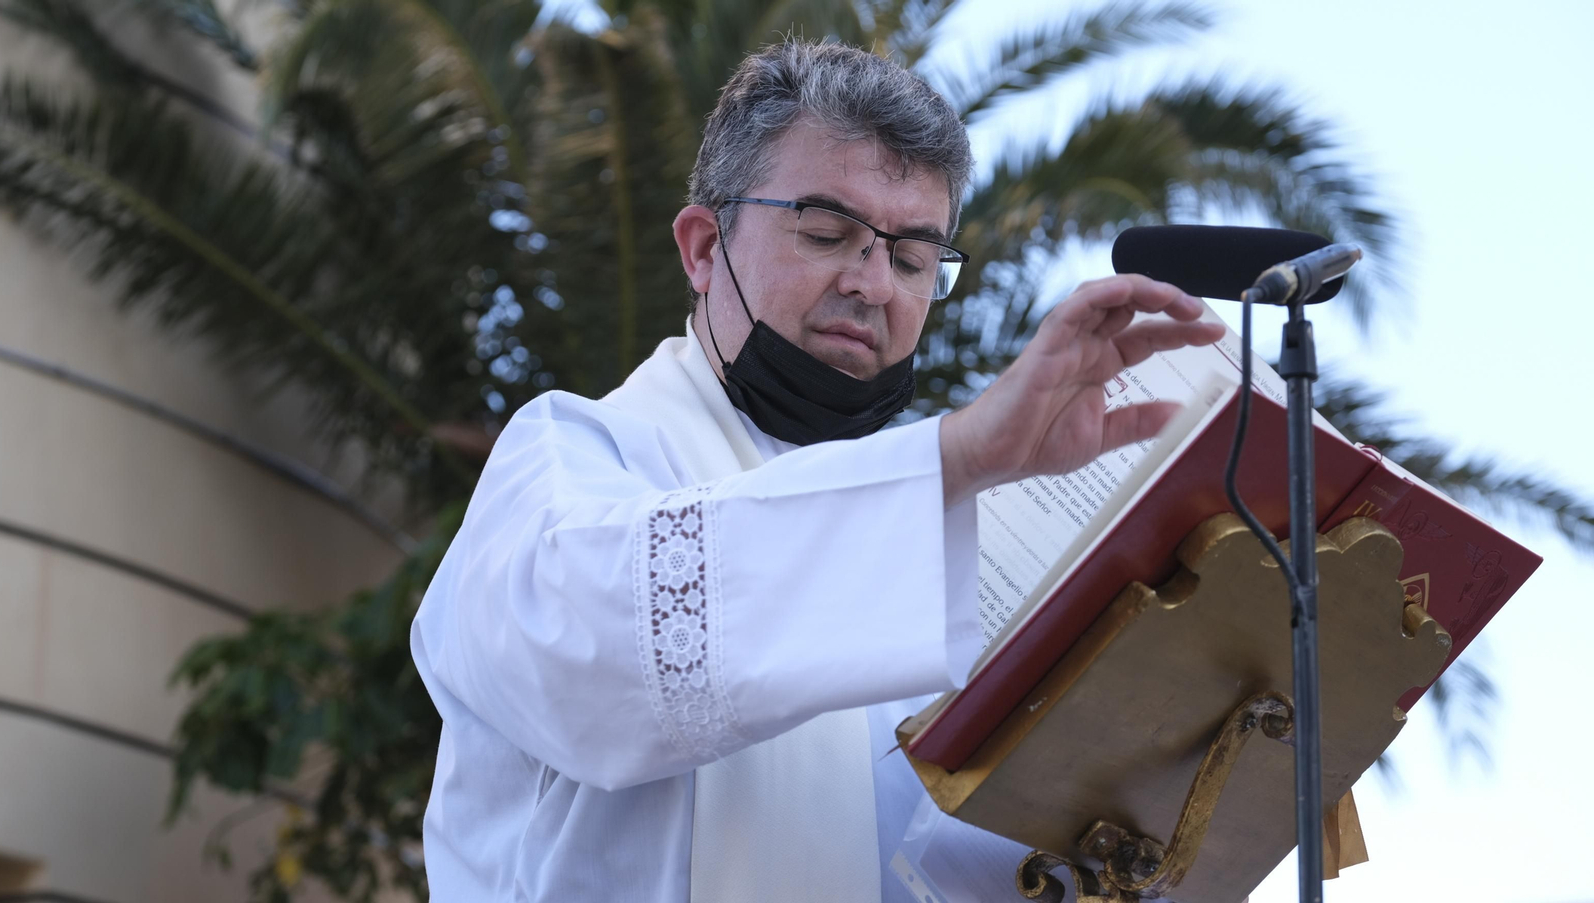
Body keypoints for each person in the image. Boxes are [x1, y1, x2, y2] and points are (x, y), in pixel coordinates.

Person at [411, 38, 1223, 902]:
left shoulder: (950, 569)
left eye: (913, 258)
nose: (873, 284)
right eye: (828, 231)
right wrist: (954, 457)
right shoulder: (568, 459)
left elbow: (957, 864)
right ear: (701, 247)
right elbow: (592, 658)